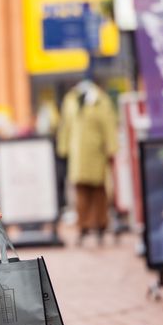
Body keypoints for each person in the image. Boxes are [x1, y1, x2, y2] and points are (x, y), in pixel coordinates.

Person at [56, 70, 117, 245]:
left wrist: (111, 148)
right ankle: (83, 226)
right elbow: (65, 125)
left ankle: (101, 226)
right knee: (80, 192)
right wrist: (64, 147)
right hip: (78, 153)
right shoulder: (71, 99)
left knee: (99, 191)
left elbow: (109, 125)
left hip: (95, 152)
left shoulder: (101, 100)